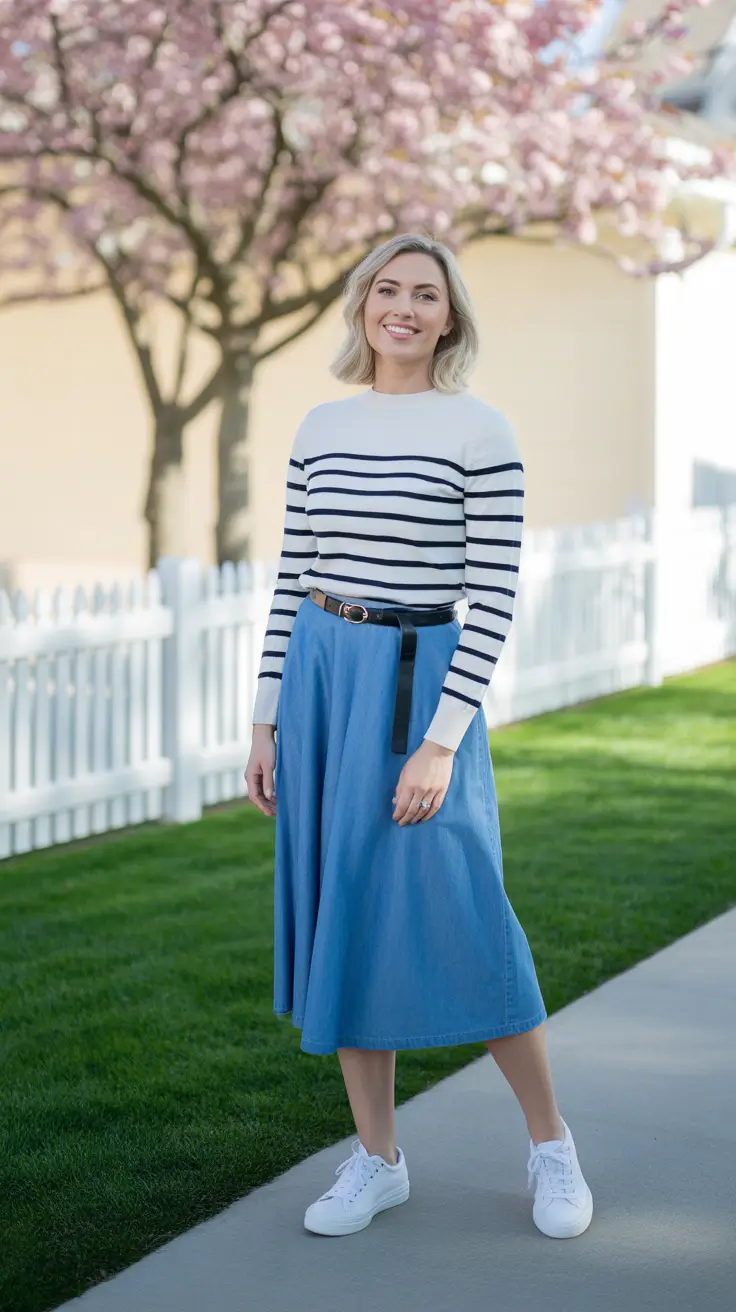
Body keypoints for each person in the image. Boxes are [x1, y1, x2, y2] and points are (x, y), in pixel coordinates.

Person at [244, 232, 593, 1242]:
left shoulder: (479, 429)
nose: (402, 306)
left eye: (424, 294)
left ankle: (551, 1144)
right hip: (321, 679)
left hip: (419, 688)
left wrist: (441, 741)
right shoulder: (320, 424)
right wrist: (266, 719)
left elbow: (491, 598)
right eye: (386, 288)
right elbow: (288, 576)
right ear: (362, 304)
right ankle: (377, 1159)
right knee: (345, 913)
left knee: (465, 911)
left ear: (449, 318)